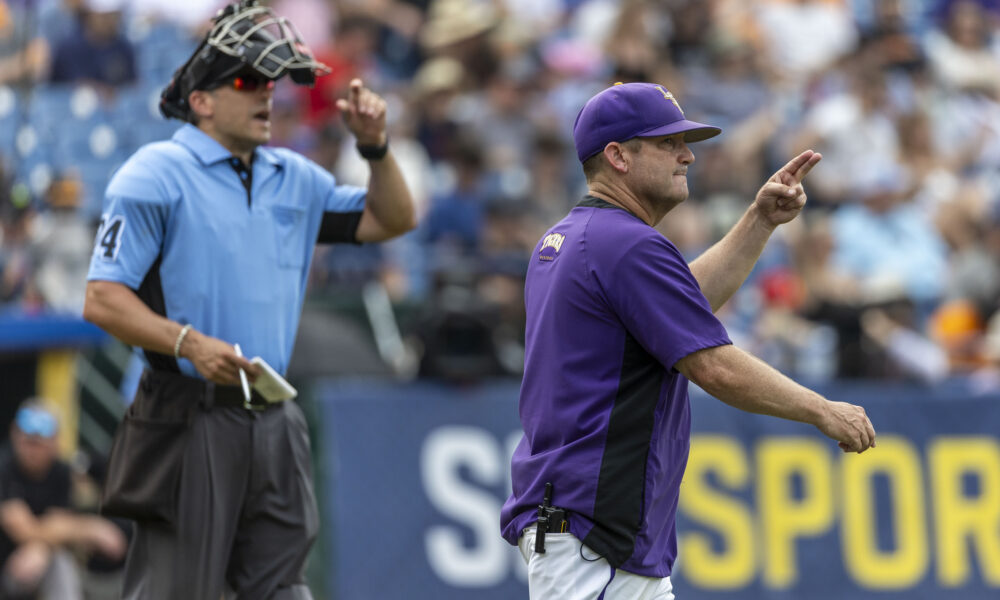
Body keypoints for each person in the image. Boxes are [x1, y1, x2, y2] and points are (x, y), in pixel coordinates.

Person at [81, 1, 416, 598]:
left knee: (282, 586)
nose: (266, 95)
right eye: (246, 82)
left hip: (272, 410)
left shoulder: (294, 174)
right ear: (202, 101)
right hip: (188, 410)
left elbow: (391, 219)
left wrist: (375, 149)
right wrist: (186, 341)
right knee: (178, 590)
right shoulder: (155, 172)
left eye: (269, 84)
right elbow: (102, 299)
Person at [500, 82, 877, 599]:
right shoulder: (626, 243)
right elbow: (713, 367)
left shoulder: (574, 237)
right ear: (617, 156)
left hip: (588, 534)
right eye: (667, 143)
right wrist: (821, 409)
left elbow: (681, 307)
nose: (688, 155)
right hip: (597, 539)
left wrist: (759, 220)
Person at [0, 400, 127, 599]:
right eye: (28, 441)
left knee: (59, 562)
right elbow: (23, 530)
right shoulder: (5, 467)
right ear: (14, 435)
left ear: (54, 442)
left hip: (38, 563)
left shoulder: (60, 471)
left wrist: (43, 547)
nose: (32, 449)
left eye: (39, 442)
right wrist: (91, 528)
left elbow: (58, 525)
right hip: (10, 567)